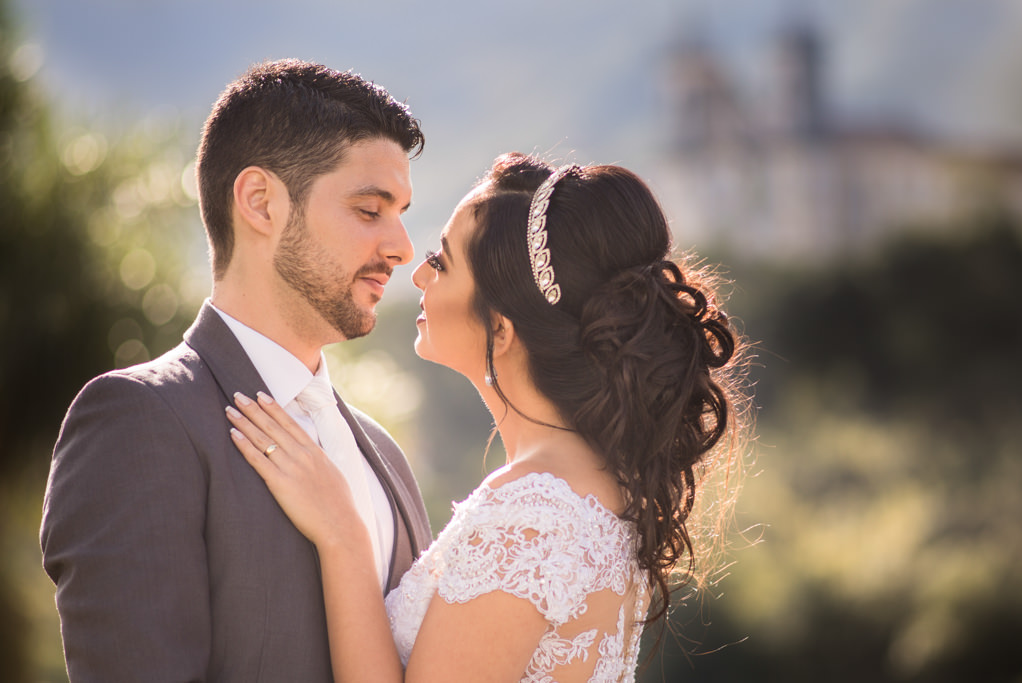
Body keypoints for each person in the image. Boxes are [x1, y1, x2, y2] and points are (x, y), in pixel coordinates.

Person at [226, 152, 747, 682]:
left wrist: (343, 537)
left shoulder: (532, 519)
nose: (420, 273)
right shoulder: (600, 483)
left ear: (500, 329)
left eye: (444, 261)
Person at [40, 58, 433, 682]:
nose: (402, 246)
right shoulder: (141, 422)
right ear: (260, 202)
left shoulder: (384, 457)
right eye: (369, 209)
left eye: (402, 211)